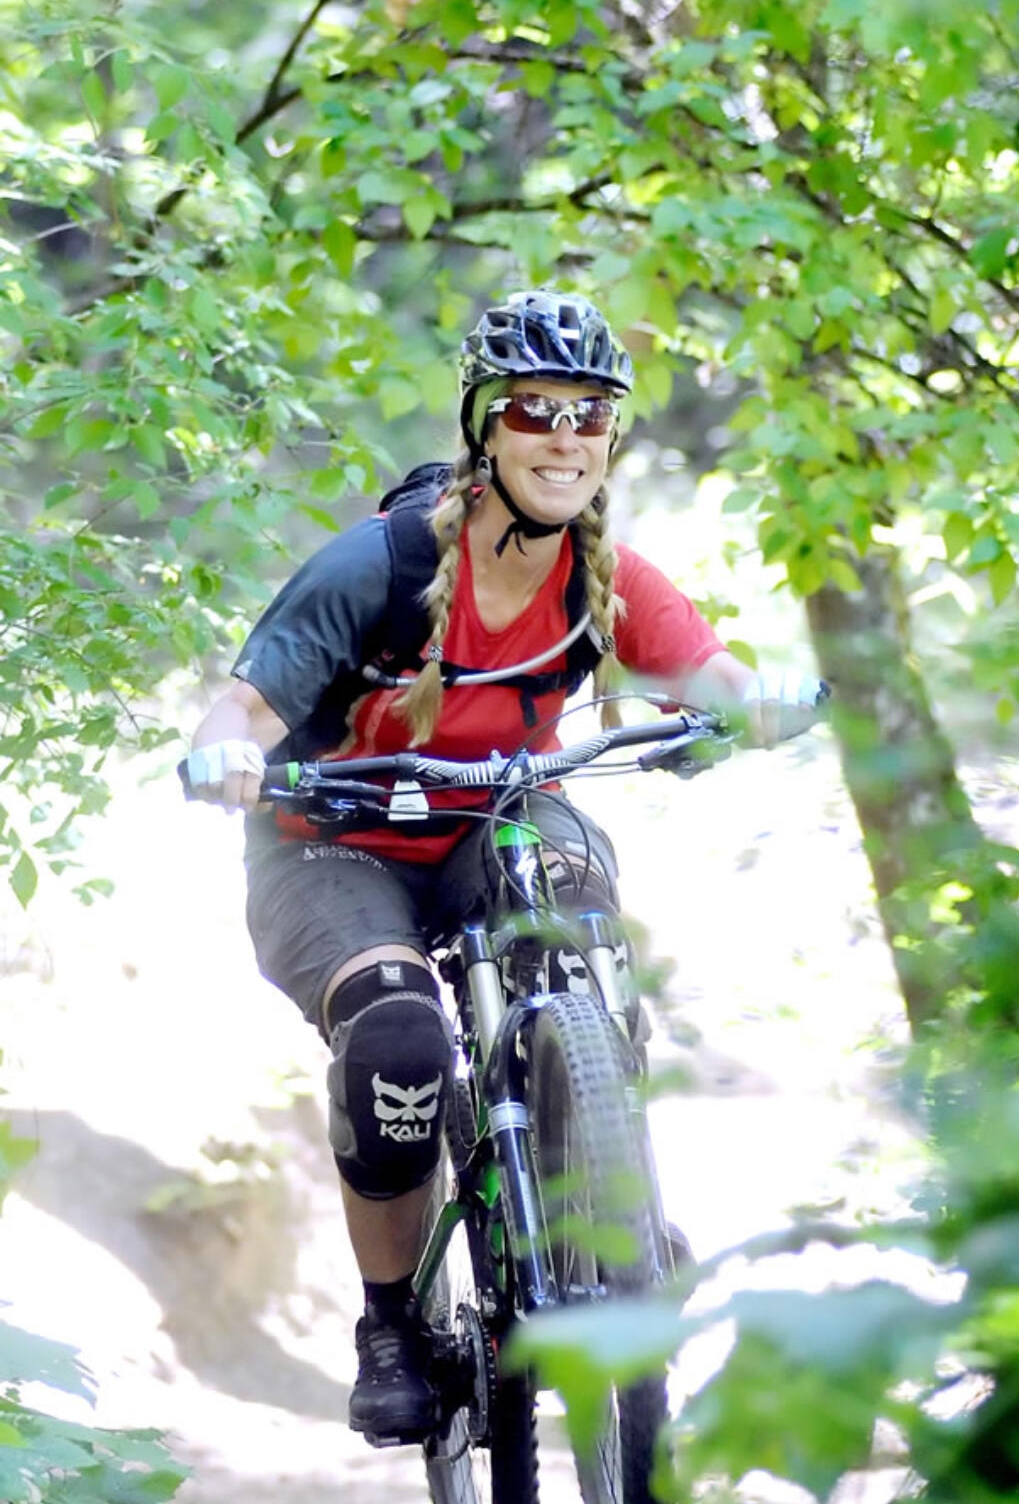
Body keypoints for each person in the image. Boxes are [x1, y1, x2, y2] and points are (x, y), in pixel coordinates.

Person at [184, 288, 823, 1445]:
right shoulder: (371, 571)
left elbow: (712, 675)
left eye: (590, 414)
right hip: (332, 840)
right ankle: (392, 1321)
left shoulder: (602, 575)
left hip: (496, 821)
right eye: (535, 410)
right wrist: (224, 754)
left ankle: (616, 1204)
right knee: (396, 1039)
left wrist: (761, 703)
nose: (564, 437)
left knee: (577, 909)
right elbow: (239, 704)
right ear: (486, 427)